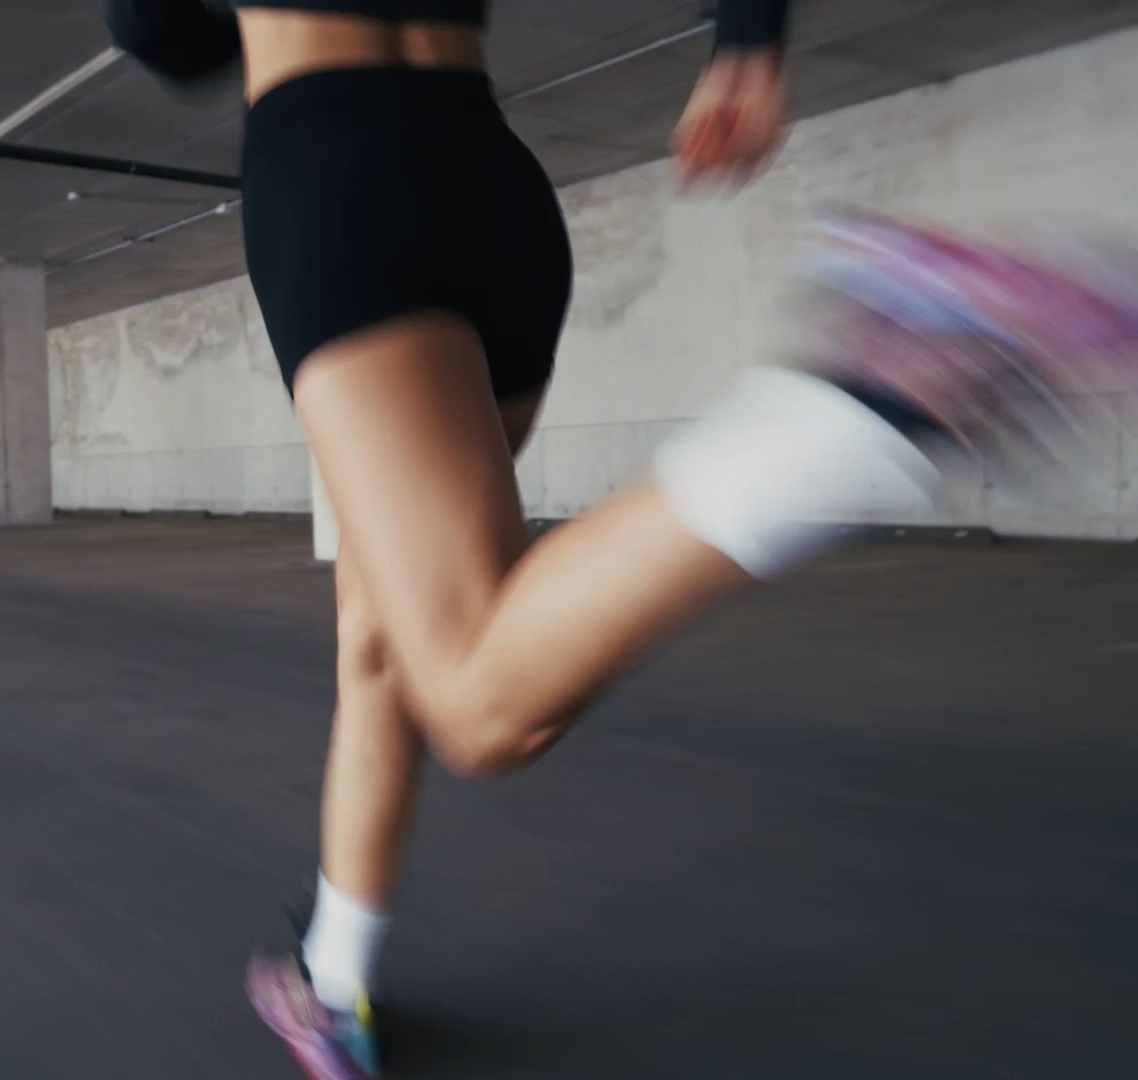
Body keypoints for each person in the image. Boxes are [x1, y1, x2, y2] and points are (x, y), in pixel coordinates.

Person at [105, 2, 1138, 1077]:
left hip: (330, 168)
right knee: (382, 637)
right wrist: (748, 39)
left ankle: (870, 393)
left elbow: (152, 30)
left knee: (477, 704)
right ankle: (331, 980)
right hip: (487, 180)